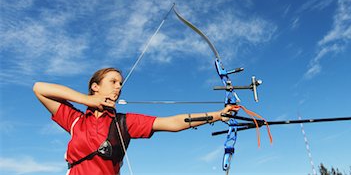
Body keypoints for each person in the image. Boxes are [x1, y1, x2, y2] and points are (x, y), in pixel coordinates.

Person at [33, 67, 239, 175]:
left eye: (120, 84)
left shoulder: (124, 122)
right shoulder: (75, 120)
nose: (118, 87)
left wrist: (219, 114)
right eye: (113, 82)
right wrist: (87, 100)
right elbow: (39, 88)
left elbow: (173, 122)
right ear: (95, 86)